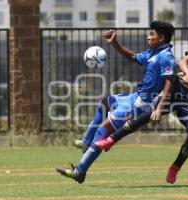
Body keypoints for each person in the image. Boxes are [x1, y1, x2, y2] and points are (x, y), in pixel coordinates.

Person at [96, 29, 188, 184]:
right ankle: (110, 140)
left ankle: (175, 168)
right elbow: (183, 62)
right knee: (148, 116)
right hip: (178, 87)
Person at [56, 21, 175, 183]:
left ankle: (80, 171)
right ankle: (86, 142)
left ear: (161, 38)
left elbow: (169, 82)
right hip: (134, 96)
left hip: (139, 106)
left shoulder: (166, 56)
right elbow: (133, 57)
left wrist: (159, 109)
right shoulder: (153, 52)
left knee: (102, 133)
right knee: (105, 103)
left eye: (152, 35)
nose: (148, 37)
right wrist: (114, 42)